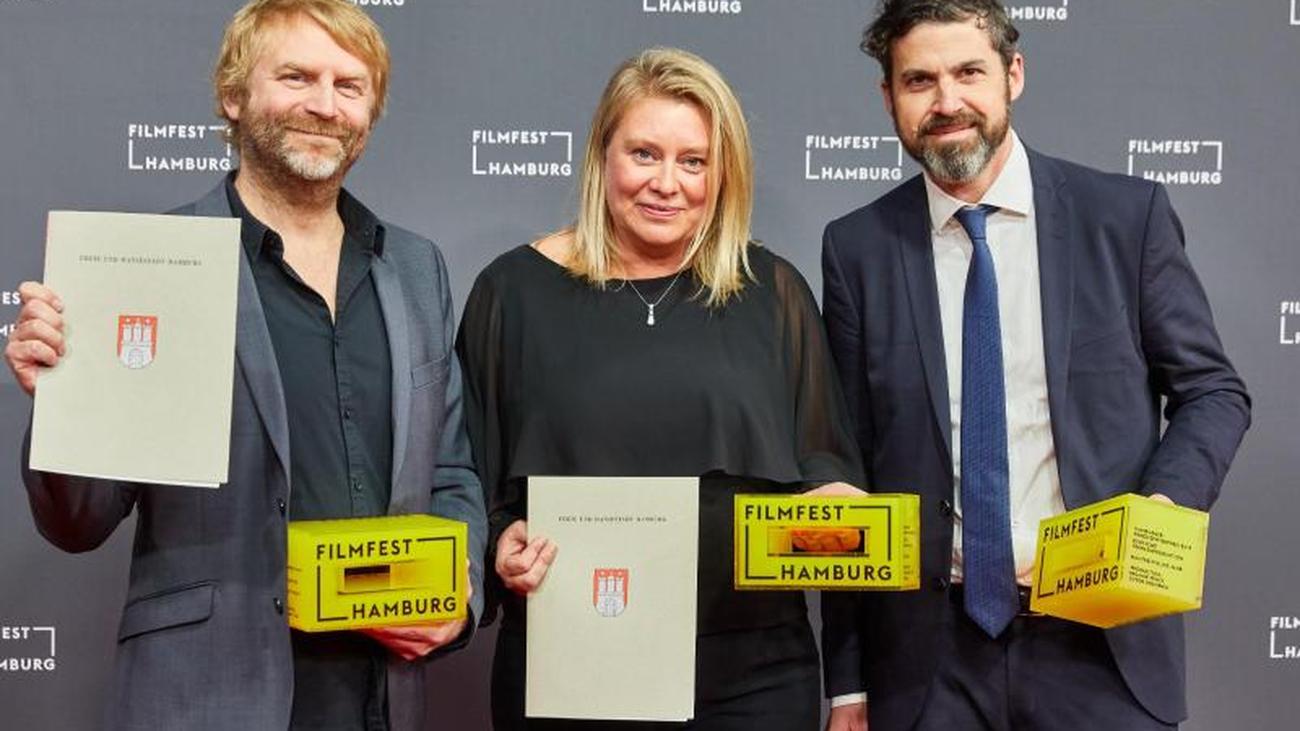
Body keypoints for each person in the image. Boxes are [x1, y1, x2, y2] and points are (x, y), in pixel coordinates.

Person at [4, 1, 486, 729]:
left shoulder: (417, 268)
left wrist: (459, 591)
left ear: (370, 111)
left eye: (349, 86)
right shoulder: (151, 265)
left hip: (379, 696)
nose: (325, 105)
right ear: (234, 95)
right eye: (296, 77)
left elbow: (449, 473)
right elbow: (80, 521)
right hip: (206, 697)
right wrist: (64, 405)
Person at [819, 2, 1251, 730]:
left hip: (1103, 646)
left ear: (1012, 75)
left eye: (969, 72)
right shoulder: (857, 248)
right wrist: (849, 685)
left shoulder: (1123, 217)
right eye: (919, 80)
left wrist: (1163, 508)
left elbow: (1213, 391)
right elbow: (848, 461)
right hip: (927, 666)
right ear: (888, 97)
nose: (947, 101)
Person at [456, 47, 865, 731]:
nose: (666, 183)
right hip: (569, 661)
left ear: (722, 173)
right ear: (603, 156)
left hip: (754, 677)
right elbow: (469, 474)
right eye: (644, 154)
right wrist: (501, 541)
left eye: (693, 161)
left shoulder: (773, 291)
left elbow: (823, 459)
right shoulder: (512, 291)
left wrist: (835, 507)